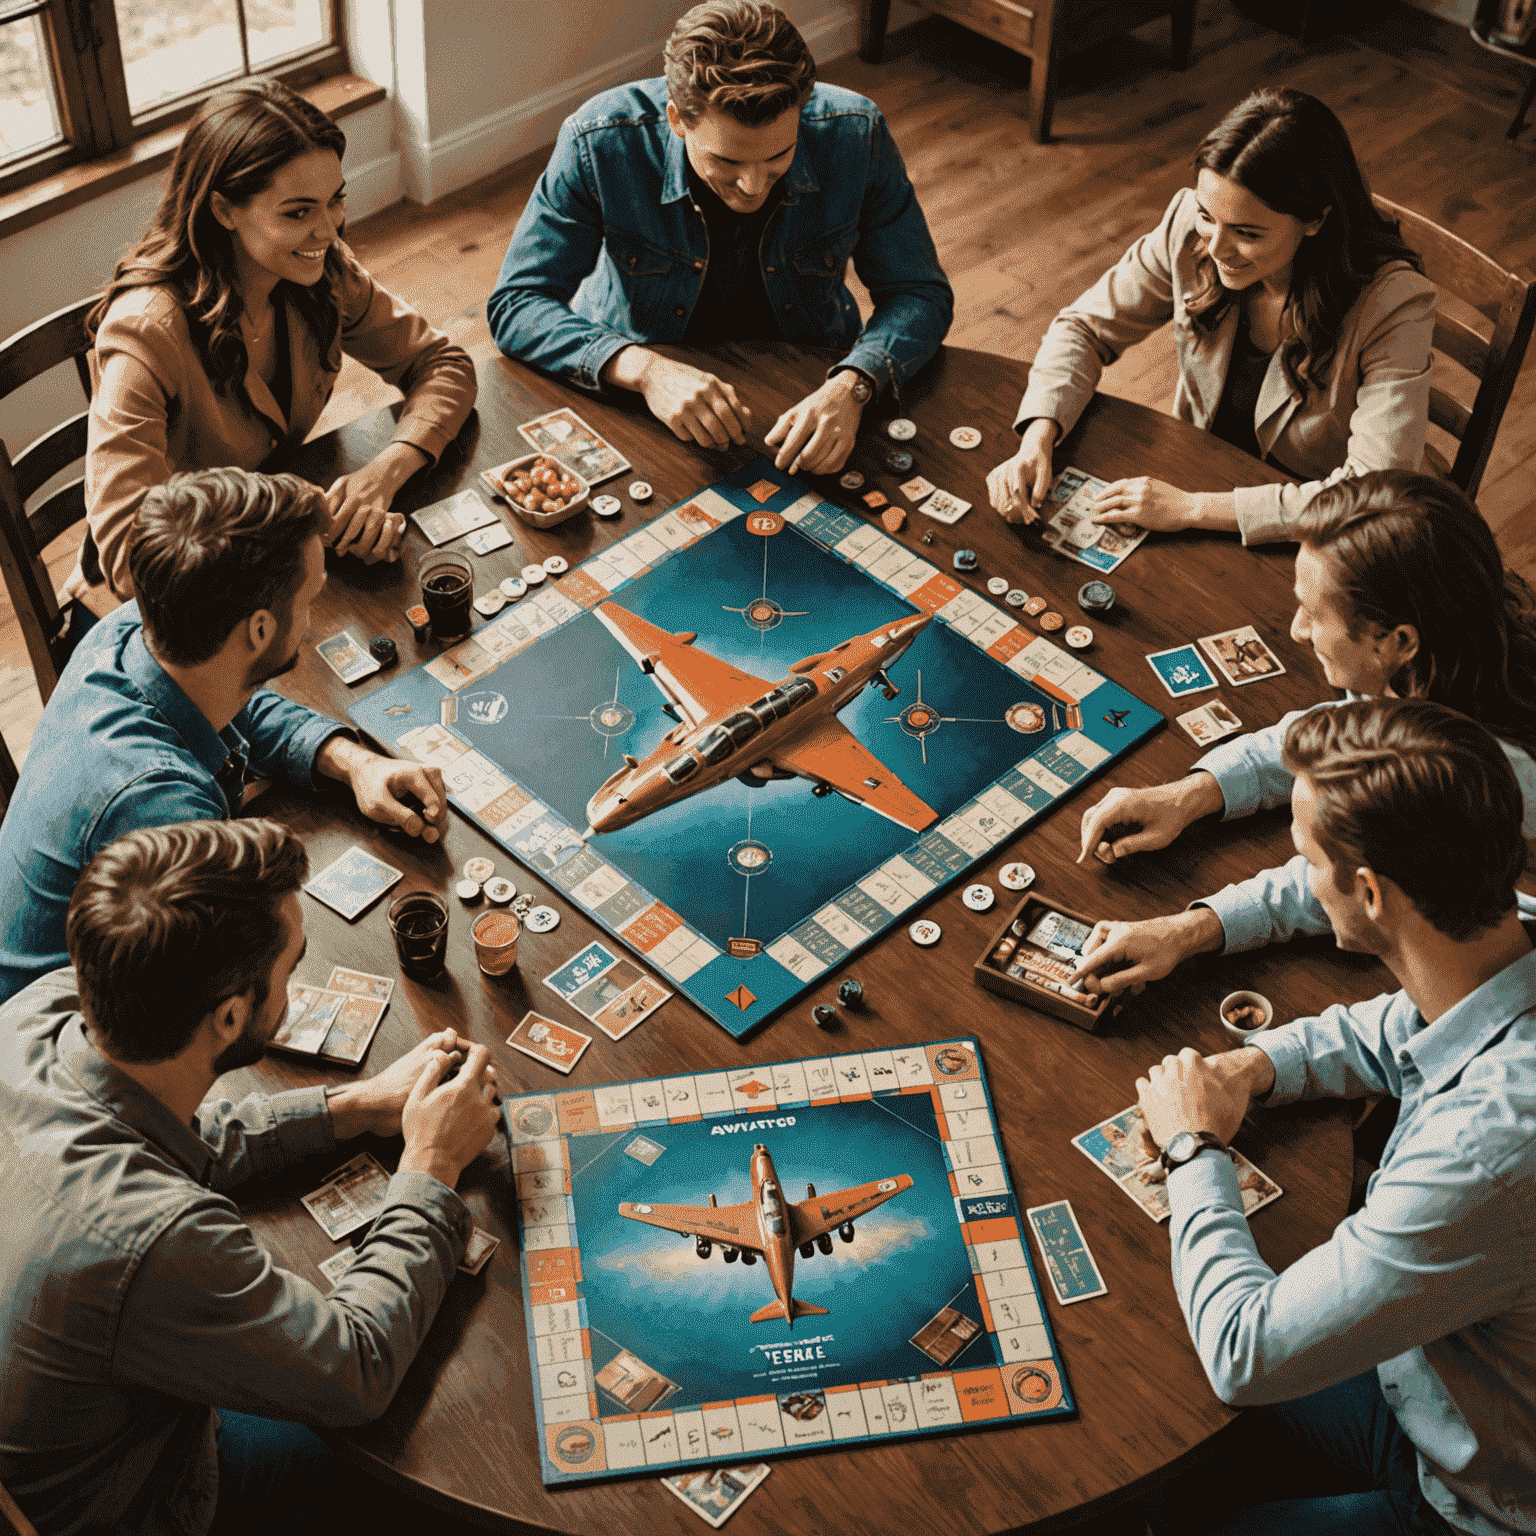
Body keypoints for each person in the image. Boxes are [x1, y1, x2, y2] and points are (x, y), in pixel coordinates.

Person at [0, 818, 502, 1536]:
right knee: (435, 1454)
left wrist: (355, 1107)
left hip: (60, 1426)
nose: (294, 985)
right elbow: (356, 1366)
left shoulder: (39, 1013)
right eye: (291, 968)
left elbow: (154, 1127)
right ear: (232, 1014)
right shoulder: (154, 1241)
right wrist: (432, 1162)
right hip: (139, 1502)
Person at [1126, 698, 1535, 1534]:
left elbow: (1246, 1353)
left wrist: (1193, 1145)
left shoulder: (1483, 1154)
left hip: (1477, 1501)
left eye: (1306, 857)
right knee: (1163, 1401)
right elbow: (1399, 1028)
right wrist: (1251, 1067)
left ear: (1373, 895)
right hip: (1432, 1377)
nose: (1300, 874)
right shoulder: (1507, 934)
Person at [1069, 470, 1536, 996]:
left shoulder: (1485, 777)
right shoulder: (1432, 659)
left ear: (1396, 640)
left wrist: (1195, 928)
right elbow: (1338, 733)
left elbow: (1361, 889)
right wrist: (1192, 794)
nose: (1297, 630)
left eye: (1314, 614)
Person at [0, 467, 449, 1005]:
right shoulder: (163, 804)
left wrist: (354, 763)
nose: (311, 617)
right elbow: (195, 1012)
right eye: (310, 599)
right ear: (259, 630)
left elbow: (235, 700)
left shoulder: (128, 629)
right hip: (61, 1036)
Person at [486, 0, 952, 477]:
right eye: (727, 163)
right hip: (640, 386)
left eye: (779, 155)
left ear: (802, 109)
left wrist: (855, 383)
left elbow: (919, 293)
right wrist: (647, 372)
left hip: (812, 384)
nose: (753, 186)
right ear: (677, 119)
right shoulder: (599, 141)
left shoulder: (857, 133)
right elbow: (518, 304)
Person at [76, 75, 476, 618]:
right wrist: (305, 513)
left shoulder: (322, 274)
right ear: (225, 210)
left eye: (335, 202)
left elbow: (442, 364)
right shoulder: (145, 331)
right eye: (298, 212)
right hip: (173, 594)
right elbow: (130, 556)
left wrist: (385, 472)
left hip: (274, 551)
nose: (329, 232)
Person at [986, 87, 1434, 545]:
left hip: (1317, 532)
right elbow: (1083, 328)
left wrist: (1193, 508)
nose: (1216, 249)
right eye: (1207, 215)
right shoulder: (1188, 226)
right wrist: (1039, 434)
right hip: (1198, 476)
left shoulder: (1395, 305)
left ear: (1315, 220)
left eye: (1247, 233)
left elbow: (1372, 492)